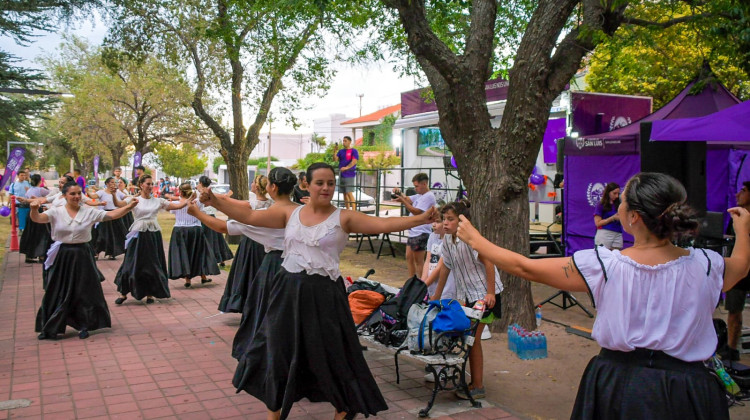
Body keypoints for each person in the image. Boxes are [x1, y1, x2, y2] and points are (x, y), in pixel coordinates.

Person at [455, 172, 750, 419]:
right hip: (690, 390)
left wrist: (475, 239)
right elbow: (741, 266)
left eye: (621, 201)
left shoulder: (605, 265)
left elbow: (525, 267)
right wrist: (743, 229)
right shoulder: (707, 265)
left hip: (619, 386)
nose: (617, 206)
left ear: (633, 217)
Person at [205, 162, 436, 420]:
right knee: (277, 349)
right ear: (306, 184)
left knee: (333, 353)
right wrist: (214, 201)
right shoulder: (290, 214)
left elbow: (383, 224)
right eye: (320, 183)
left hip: (325, 294)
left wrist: (420, 218)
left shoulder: (343, 217)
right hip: (287, 290)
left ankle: (344, 407)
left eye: (330, 183)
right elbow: (249, 217)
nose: (326, 188)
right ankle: (274, 412)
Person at [187, 168, 296, 358]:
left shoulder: (267, 215)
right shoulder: (303, 211)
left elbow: (225, 226)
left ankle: (269, 358)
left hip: (275, 267)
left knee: (267, 315)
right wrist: (214, 200)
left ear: (273, 187)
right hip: (300, 269)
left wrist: (197, 213)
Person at [31, 181, 137, 339]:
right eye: (72, 194)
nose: (76, 196)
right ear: (64, 195)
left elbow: (111, 215)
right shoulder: (56, 211)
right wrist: (33, 209)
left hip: (82, 254)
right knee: (57, 289)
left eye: (78, 193)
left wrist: (128, 207)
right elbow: (38, 218)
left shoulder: (88, 212)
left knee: (84, 290)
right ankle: (50, 326)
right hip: (63, 255)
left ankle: (84, 324)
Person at [431, 200, 502, 400]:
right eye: (444, 219)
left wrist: (490, 293)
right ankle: (468, 380)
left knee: (472, 339)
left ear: (463, 221)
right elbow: (446, 267)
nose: (445, 223)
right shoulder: (447, 241)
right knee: (466, 338)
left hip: (484, 294)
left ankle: (477, 386)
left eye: (450, 219)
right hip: (467, 295)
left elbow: (489, 261)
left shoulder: (472, 239)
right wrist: (436, 295)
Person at [113, 175, 190, 305]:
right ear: (141, 185)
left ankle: (150, 293)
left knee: (152, 264)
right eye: (148, 184)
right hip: (138, 234)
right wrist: (114, 193)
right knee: (131, 262)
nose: (150, 186)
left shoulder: (158, 201)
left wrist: (189, 199)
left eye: (151, 184)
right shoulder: (134, 200)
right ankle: (123, 292)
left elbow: (176, 206)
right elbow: (118, 204)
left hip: (153, 235)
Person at [217, 174, 272, 312]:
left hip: (251, 242)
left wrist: (217, 197)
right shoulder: (272, 204)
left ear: (257, 187)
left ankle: (245, 303)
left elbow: (226, 202)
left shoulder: (251, 204)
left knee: (247, 272)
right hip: (264, 242)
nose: (251, 184)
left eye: (253, 182)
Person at [167, 182, 219, 288]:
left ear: (180, 192)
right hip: (195, 229)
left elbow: (171, 211)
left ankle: (188, 279)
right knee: (199, 253)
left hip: (180, 230)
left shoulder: (177, 203)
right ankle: (203, 276)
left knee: (185, 254)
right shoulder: (197, 202)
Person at [724, 181, 750, 361]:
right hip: (739, 271)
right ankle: (731, 349)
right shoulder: (736, 218)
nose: (738, 194)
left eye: (744, 190)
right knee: (734, 310)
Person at [393, 173, 436, 277]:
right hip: (414, 232)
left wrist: (403, 201)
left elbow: (416, 211)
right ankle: (411, 282)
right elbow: (408, 198)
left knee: (419, 261)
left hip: (421, 232)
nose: (415, 188)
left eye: (417, 186)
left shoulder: (429, 196)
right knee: (409, 258)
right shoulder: (420, 195)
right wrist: (400, 194)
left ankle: (421, 284)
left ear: (424, 184)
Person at [196, 176, 233, 267]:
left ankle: (210, 259)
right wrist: (228, 194)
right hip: (212, 216)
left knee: (208, 239)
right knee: (217, 238)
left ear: (200, 183)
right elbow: (223, 197)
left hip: (205, 217)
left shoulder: (200, 193)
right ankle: (221, 258)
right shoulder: (210, 192)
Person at [93, 177, 129, 260]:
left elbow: (126, 197)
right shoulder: (101, 192)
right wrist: (87, 191)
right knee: (101, 235)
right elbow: (93, 196)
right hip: (104, 215)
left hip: (115, 215)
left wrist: (135, 196)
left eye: (114, 182)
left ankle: (112, 253)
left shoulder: (118, 192)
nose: (114, 184)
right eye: (112, 182)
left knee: (115, 235)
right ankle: (96, 252)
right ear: (107, 184)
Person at [19, 174, 50, 263]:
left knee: (30, 233)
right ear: (40, 181)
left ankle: (29, 256)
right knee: (42, 234)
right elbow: (49, 197)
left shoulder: (28, 191)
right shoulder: (42, 190)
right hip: (40, 212)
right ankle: (41, 255)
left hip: (30, 213)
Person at [594, 182, 623, 250]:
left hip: (618, 233)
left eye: (618, 194)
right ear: (608, 192)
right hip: (605, 233)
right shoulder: (601, 205)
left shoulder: (619, 204)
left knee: (616, 257)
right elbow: (598, 223)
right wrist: (612, 218)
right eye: (614, 193)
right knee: (603, 257)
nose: (616, 196)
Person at [333, 136, 358, 211]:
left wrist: (346, 168)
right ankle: (347, 209)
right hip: (342, 174)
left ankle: (353, 210)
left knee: (349, 192)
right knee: (344, 193)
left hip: (350, 174)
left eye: (345, 141)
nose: (344, 142)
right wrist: (335, 151)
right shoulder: (341, 151)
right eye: (343, 141)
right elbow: (335, 159)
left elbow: (354, 161)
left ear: (350, 142)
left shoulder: (354, 151)